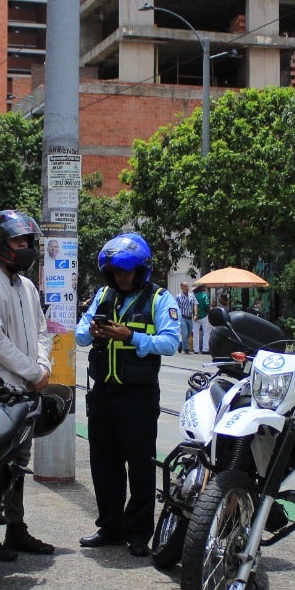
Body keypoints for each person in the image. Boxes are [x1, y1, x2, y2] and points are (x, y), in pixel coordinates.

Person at [75, 233, 178, 557]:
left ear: (140, 270)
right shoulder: (103, 295)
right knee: (104, 465)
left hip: (138, 397)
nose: (121, 276)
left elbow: (170, 342)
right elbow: (79, 335)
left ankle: (138, 533)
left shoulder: (160, 299)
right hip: (103, 393)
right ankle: (110, 527)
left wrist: (130, 336)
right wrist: (91, 331)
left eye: (127, 271)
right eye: (116, 271)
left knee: (140, 466)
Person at [0, 210, 55, 559]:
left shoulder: (27, 286)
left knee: (19, 465)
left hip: (26, 393)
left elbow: (41, 330)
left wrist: (43, 364)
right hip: (0, 395)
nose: (24, 246)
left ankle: (16, 527)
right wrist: (34, 373)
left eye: (26, 241)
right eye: (17, 241)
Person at [174, 282, 197, 353]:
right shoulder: (178, 297)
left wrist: (195, 314)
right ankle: (186, 349)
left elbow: (195, 304)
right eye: (185, 286)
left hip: (190, 317)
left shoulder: (192, 296)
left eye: (187, 286)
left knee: (189, 333)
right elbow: (175, 307)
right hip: (182, 317)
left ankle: (181, 344)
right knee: (185, 333)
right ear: (181, 288)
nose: (187, 288)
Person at [192, 285, 211, 354]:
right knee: (206, 332)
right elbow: (207, 305)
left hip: (195, 317)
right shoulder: (204, 295)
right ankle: (205, 349)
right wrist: (209, 313)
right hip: (204, 316)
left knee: (195, 333)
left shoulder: (193, 296)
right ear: (201, 288)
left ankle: (196, 349)